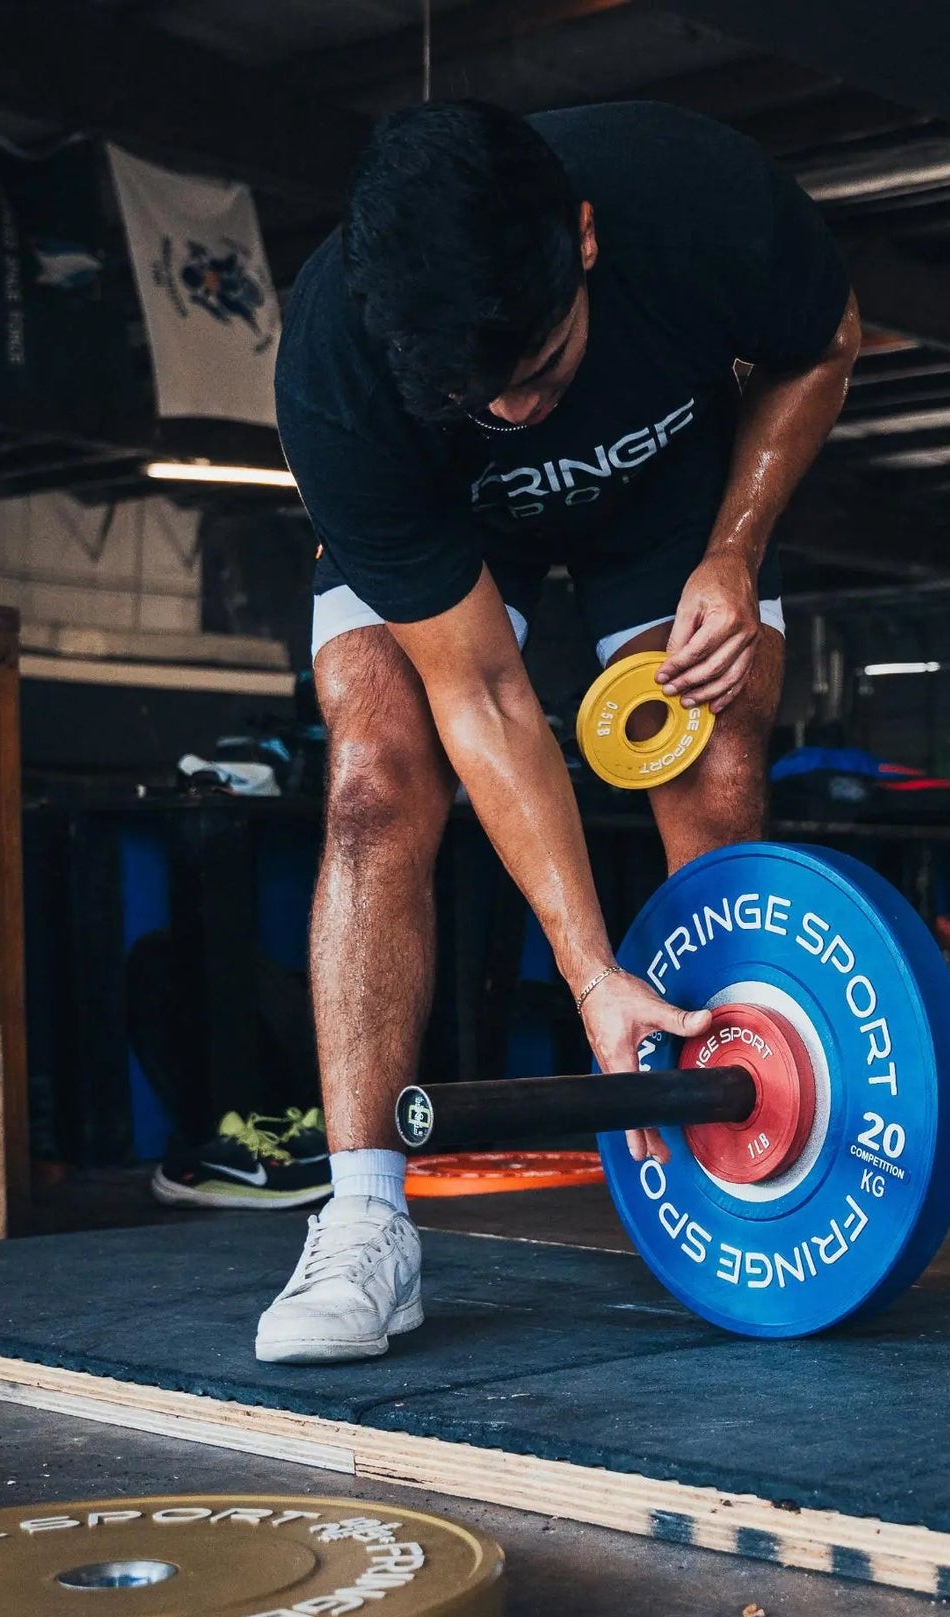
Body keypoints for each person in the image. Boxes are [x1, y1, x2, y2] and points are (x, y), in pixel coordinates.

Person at [255, 100, 860, 1363]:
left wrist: (736, 550)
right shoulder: (337, 373)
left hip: (672, 494)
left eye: (539, 368)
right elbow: (485, 693)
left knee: (714, 755)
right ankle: (364, 1220)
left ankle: (736, 1131)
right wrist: (589, 974)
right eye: (484, 394)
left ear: (585, 240)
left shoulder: (694, 192)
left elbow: (824, 344)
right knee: (375, 780)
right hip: (452, 522)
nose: (520, 411)